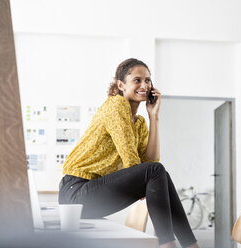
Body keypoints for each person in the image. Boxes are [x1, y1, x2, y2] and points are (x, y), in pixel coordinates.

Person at [59, 58, 199, 248]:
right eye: (137, 80)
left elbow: (150, 161)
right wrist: (143, 181)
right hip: (75, 193)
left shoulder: (139, 123)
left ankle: (191, 245)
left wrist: (154, 116)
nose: (145, 85)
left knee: (160, 173)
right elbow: (136, 164)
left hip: (94, 192)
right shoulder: (115, 105)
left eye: (148, 80)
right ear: (121, 85)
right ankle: (168, 245)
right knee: (156, 172)